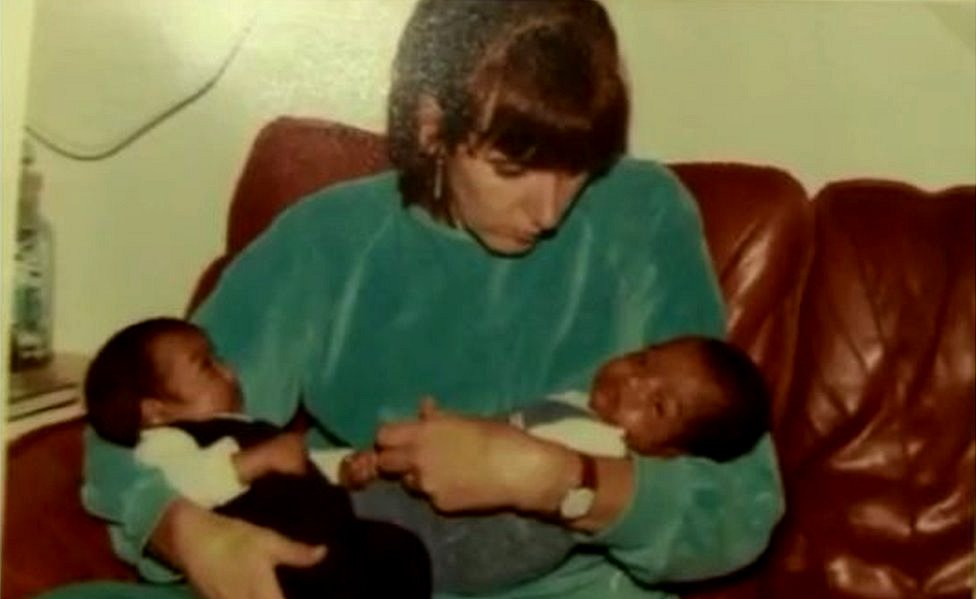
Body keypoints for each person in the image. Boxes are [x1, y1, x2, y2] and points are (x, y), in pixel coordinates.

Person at [47, 1, 784, 598]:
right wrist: (190, 532)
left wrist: (558, 479)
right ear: (432, 125)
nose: (552, 211)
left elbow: (743, 504)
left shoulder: (642, 216)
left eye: (577, 169)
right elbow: (134, 425)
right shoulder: (329, 237)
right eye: (513, 168)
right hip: (358, 574)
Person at [82, 317, 432, 599]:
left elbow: (302, 463)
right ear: (156, 411)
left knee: (401, 549)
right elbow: (178, 486)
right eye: (207, 366)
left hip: (332, 537)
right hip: (271, 559)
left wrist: (345, 469)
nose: (230, 371)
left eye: (219, 359)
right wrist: (253, 462)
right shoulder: (166, 441)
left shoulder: (252, 428)